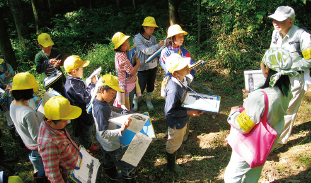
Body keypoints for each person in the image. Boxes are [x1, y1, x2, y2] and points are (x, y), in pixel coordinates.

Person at [224, 47, 297, 182]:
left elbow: (243, 125)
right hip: (266, 142)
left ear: (267, 68)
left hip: (250, 144)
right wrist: (249, 97)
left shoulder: (260, 97)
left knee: (231, 176)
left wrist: (233, 112)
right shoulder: (286, 90)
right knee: (253, 173)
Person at [268, 6, 311, 147]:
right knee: (274, 108)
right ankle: (270, 137)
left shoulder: (303, 36)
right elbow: (272, 53)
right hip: (277, 78)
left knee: (287, 111)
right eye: (274, 19)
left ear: (290, 22)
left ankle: (278, 143)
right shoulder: (276, 33)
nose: (275, 23)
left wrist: (290, 66)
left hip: (295, 79)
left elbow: (309, 60)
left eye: (279, 20)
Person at [92, 74, 137, 182]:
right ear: (103, 90)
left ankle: (111, 175)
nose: (114, 96)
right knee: (127, 166)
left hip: (104, 142)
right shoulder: (100, 109)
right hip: (111, 143)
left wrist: (123, 116)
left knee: (108, 158)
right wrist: (121, 130)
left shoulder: (100, 100)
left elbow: (110, 113)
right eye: (112, 93)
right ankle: (130, 179)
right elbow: (103, 133)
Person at [164, 54, 203, 173]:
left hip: (183, 118)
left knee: (179, 137)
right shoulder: (173, 90)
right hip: (176, 122)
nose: (187, 67)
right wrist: (189, 112)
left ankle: (179, 151)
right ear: (175, 73)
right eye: (183, 66)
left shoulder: (183, 78)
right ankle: (171, 162)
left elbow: (190, 74)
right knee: (173, 141)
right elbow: (169, 111)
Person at [9, 72, 46, 180]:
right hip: (36, 144)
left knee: (34, 156)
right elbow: (36, 136)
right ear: (28, 92)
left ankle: (35, 166)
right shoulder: (27, 113)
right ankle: (40, 177)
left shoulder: (13, 104)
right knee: (43, 165)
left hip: (27, 141)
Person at [37, 96, 81, 183]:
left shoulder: (56, 126)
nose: (67, 123)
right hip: (71, 175)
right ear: (50, 121)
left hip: (77, 163)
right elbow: (53, 174)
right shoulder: (49, 144)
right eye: (64, 121)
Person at [63, 55, 99, 152]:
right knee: (85, 132)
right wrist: (93, 84)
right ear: (74, 71)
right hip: (81, 115)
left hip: (84, 111)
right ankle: (87, 149)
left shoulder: (75, 79)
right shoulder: (71, 86)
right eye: (81, 68)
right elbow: (85, 98)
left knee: (89, 129)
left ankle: (89, 144)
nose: (83, 70)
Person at [133, 16, 164, 110]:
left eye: (153, 28)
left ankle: (148, 100)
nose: (152, 30)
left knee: (151, 85)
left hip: (153, 66)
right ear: (144, 27)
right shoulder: (137, 38)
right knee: (141, 86)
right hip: (143, 67)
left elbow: (156, 51)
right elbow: (145, 51)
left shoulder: (153, 38)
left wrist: (161, 47)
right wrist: (158, 46)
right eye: (150, 28)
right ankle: (135, 101)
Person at [112, 32, 141, 111]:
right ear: (119, 47)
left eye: (128, 43)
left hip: (129, 82)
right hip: (127, 85)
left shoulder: (122, 53)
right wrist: (138, 63)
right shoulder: (122, 56)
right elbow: (131, 71)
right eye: (125, 45)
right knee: (127, 106)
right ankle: (128, 119)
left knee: (128, 104)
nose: (128, 46)